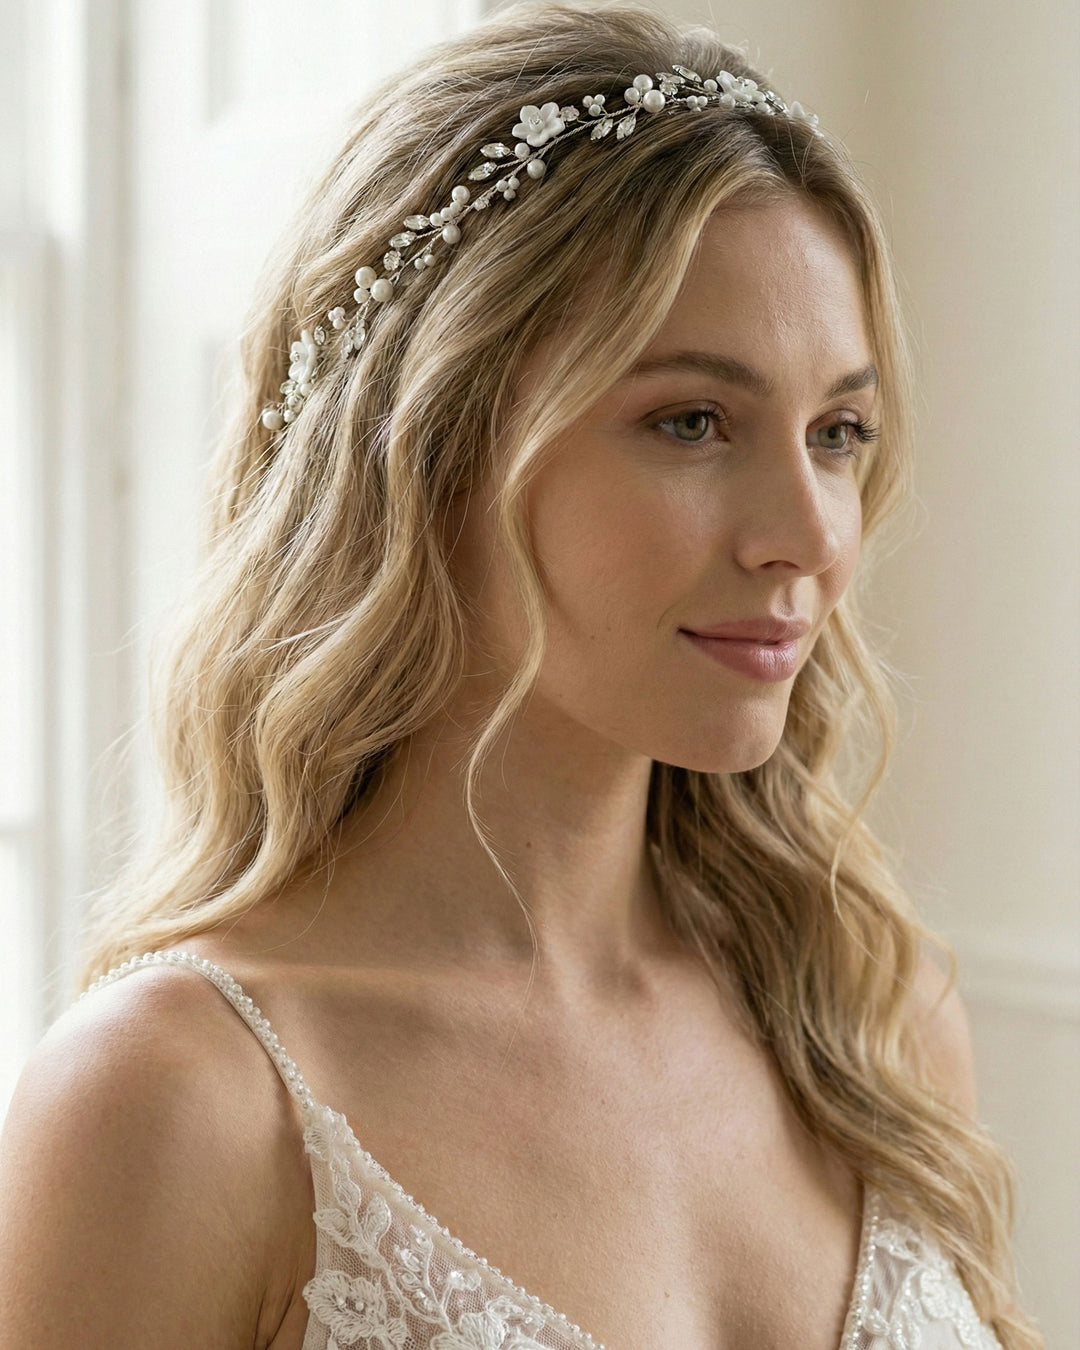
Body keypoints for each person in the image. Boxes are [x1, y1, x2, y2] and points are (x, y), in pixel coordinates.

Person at [0, 4, 1042, 1348]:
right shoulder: (179, 1103)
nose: (809, 535)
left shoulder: (869, 1024)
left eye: (839, 431)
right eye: (692, 421)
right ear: (427, 444)